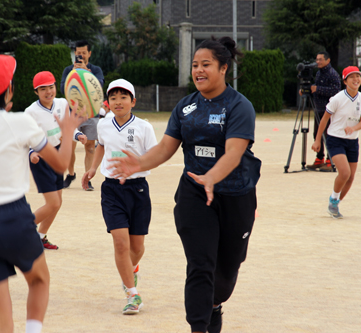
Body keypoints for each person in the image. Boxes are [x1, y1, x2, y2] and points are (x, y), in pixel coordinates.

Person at [110, 37, 261, 333]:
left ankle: (215, 305)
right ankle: (198, 327)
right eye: (195, 65)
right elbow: (166, 147)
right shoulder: (186, 107)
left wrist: (213, 177)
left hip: (236, 196)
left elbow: (234, 152)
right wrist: (139, 162)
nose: (198, 70)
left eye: (206, 65)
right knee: (200, 264)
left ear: (223, 68)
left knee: (226, 274)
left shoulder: (239, 106)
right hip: (194, 193)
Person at [0, 53, 86, 333]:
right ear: (8, 90)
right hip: (14, 217)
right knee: (39, 280)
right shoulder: (20, 121)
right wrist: (68, 131)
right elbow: (62, 164)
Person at [82, 79, 157, 315]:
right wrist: (94, 168)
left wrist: (135, 167)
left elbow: (155, 155)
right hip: (112, 190)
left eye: (123, 97)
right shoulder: (104, 124)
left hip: (138, 190)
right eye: (113, 98)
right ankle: (132, 295)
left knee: (137, 247)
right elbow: (101, 146)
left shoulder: (144, 127)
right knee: (120, 243)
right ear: (108, 102)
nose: (118, 102)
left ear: (133, 101)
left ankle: (131, 269)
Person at [25, 71, 87, 250]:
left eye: (51, 87)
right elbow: (26, 137)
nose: (48, 92)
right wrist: (31, 153)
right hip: (41, 157)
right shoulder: (31, 112)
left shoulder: (62, 103)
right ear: (36, 92)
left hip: (59, 155)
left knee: (57, 203)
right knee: (53, 203)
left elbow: (68, 126)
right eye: (42, 89)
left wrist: (78, 134)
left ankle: (40, 236)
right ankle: (20, 231)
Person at [311, 66, 361, 219]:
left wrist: (353, 128)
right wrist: (317, 140)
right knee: (344, 172)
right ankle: (333, 198)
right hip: (335, 139)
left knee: (351, 177)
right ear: (345, 81)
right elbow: (324, 119)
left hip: (353, 142)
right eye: (352, 77)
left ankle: (335, 204)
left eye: (358, 76)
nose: (356, 79)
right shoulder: (337, 98)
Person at [60, 40, 104, 191]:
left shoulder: (95, 69)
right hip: (73, 114)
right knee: (70, 147)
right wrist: (74, 75)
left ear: (89, 54)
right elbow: (62, 89)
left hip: (91, 113)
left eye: (84, 53)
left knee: (91, 147)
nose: (81, 56)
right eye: (78, 53)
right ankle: (71, 174)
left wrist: (86, 73)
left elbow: (100, 86)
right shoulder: (68, 70)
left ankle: (87, 178)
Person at [306, 51, 341, 170]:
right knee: (317, 134)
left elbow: (336, 91)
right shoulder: (318, 73)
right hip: (318, 108)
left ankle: (330, 160)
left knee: (328, 135)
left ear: (328, 60)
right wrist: (308, 91)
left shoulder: (333, 74)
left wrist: (318, 89)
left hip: (329, 110)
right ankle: (319, 158)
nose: (318, 62)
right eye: (317, 59)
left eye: (320, 59)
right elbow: (316, 90)